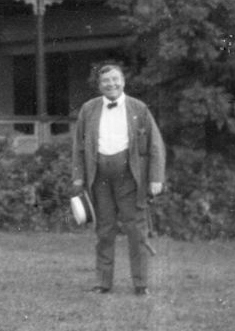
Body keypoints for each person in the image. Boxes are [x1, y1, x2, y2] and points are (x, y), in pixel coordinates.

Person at [72, 63, 165, 296]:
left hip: (130, 179)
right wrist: (78, 177)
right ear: (99, 85)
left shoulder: (139, 108)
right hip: (99, 179)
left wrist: (156, 178)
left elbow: (156, 145)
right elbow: (78, 147)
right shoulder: (88, 109)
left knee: (136, 231)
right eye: (106, 81)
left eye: (115, 80)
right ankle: (103, 283)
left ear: (123, 82)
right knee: (104, 230)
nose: (111, 84)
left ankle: (141, 284)